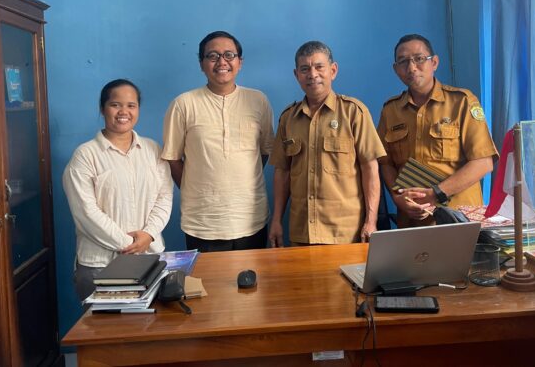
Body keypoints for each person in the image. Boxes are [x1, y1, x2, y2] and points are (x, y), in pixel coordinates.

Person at [162, 31, 274, 252]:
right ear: (201, 64)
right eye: (212, 56)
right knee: (207, 287)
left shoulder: (258, 100)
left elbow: (264, 151)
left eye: (229, 55)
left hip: (251, 219)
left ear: (240, 62)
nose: (221, 62)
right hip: (202, 223)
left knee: (252, 285)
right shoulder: (183, 104)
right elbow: (173, 158)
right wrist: (200, 188)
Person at [63, 79, 173, 301]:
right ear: (102, 108)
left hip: (149, 259)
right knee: (105, 333)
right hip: (100, 265)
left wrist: (148, 235)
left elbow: (165, 197)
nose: (124, 111)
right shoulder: (85, 155)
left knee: (149, 329)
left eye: (131, 105)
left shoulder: (152, 150)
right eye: (115, 105)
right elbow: (86, 213)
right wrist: (130, 244)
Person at [269, 41, 386, 246]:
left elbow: (370, 168)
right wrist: (277, 220)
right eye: (305, 69)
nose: (312, 74)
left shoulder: (354, 112)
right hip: (301, 231)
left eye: (319, 67)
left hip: (345, 233)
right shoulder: (288, 118)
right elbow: (282, 172)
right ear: (296, 75)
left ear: (333, 70)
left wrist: (371, 220)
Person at [377, 34, 498, 227]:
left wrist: (437, 193)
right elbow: (385, 164)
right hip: (412, 221)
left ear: (434, 62)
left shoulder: (462, 102)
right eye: (403, 62)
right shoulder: (390, 111)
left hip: (458, 219)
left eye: (419, 59)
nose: (412, 67)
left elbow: (483, 162)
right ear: (396, 69)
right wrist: (398, 197)